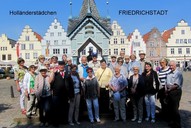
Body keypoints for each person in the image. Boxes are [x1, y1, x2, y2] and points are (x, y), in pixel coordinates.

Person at [50, 61, 73, 126]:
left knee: (65, 107)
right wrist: (52, 73)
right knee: (56, 108)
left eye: (62, 65)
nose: (61, 66)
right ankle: (55, 122)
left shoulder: (67, 74)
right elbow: (50, 81)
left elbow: (71, 85)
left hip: (65, 94)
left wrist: (71, 95)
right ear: (58, 66)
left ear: (64, 66)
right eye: (60, 65)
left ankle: (64, 121)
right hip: (56, 94)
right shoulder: (55, 73)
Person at [166, 61, 183, 128]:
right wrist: (166, 90)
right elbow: (166, 83)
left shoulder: (178, 73)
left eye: (172, 65)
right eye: (170, 65)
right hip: (169, 92)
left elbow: (176, 85)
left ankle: (178, 124)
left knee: (175, 109)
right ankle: (172, 122)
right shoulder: (169, 73)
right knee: (170, 108)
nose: (171, 67)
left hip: (175, 92)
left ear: (175, 65)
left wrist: (169, 89)